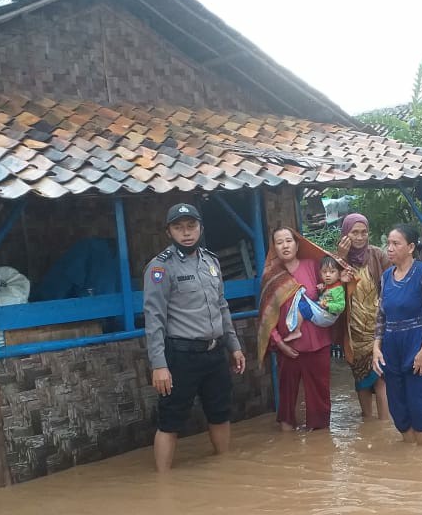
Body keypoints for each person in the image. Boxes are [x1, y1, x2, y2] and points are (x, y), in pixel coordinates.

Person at [143, 202, 246, 472]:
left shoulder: (211, 261)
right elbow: (154, 318)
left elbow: (222, 306)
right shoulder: (160, 268)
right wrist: (159, 364)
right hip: (180, 356)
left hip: (214, 353)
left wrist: (233, 346)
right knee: (170, 420)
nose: (186, 233)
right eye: (179, 227)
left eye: (191, 226)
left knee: (220, 413)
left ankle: (224, 469)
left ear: (200, 228)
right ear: (169, 232)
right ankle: (162, 484)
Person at [372, 223, 422, 447]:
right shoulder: (386, 277)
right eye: (388, 243)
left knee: (419, 408)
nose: (389, 248)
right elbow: (381, 315)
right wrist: (376, 347)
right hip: (391, 350)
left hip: (418, 348)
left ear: (411, 247)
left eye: (396, 243)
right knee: (398, 410)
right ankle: (411, 460)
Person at [257, 227, 334, 431]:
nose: (285, 245)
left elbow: (332, 291)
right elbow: (266, 316)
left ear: (297, 244)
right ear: (274, 248)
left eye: (289, 241)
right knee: (287, 400)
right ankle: (287, 440)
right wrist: (279, 344)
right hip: (288, 348)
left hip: (318, 343)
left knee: (320, 399)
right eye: (279, 242)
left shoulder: (312, 266)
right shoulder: (271, 277)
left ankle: (321, 450)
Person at [334, 213, 389, 420]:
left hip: (377, 327)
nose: (359, 237)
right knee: (361, 380)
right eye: (354, 232)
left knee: (381, 378)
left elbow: (390, 285)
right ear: (345, 234)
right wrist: (340, 258)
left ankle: (384, 424)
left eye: (363, 232)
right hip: (353, 329)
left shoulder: (377, 255)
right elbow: (330, 292)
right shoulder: (336, 259)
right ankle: (368, 422)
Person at [284, 256, 346, 341]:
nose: (328, 275)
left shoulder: (338, 289)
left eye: (332, 272)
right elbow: (326, 297)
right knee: (303, 304)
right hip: (323, 313)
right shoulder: (329, 286)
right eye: (324, 272)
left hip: (327, 315)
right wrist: (321, 291)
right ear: (320, 274)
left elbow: (341, 306)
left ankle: (296, 331)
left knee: (301, 307)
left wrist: (328, 306)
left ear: (339, 274)